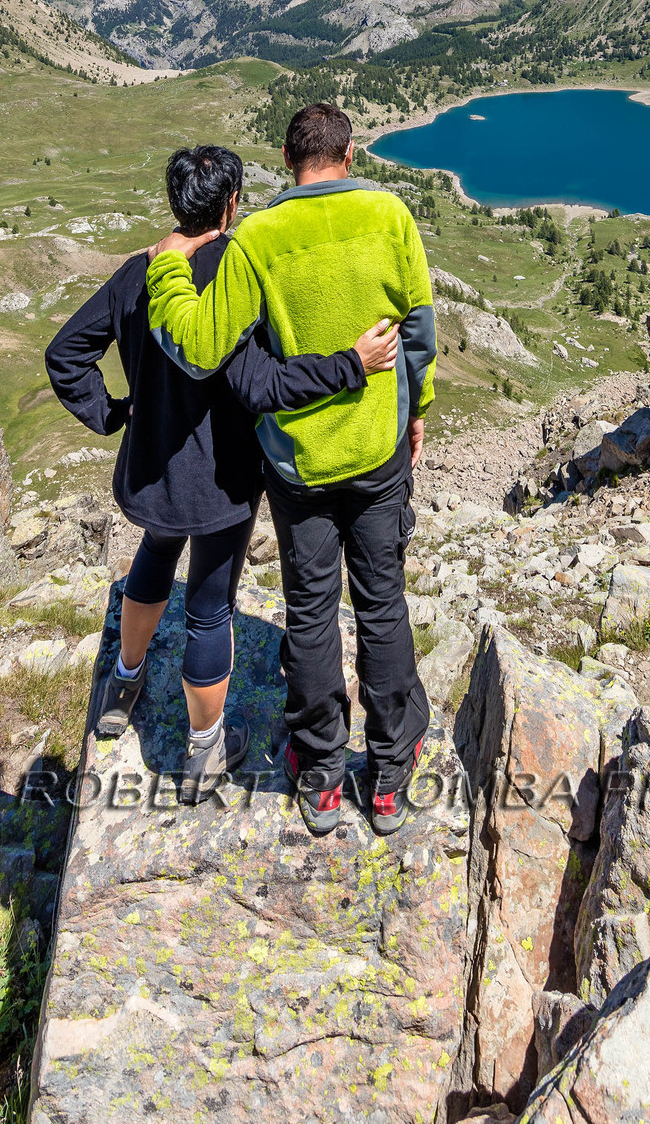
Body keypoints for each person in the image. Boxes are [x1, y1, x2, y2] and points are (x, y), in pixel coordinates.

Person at [45, 141, 399, 800]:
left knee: (154, 555)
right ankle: (203, 753)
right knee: (209, 608)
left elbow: (65, 354)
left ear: (174, 201)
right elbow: (265, 384)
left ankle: (124, 682)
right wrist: (351, 366)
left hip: (153, 471)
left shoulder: (138, 272)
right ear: (232, 203)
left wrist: (114, 413)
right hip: (222, 479)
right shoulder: (238, 278)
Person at [146, 102, 435, 837]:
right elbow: (420, 331)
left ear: (286, 158)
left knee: (310, 611)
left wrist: (167, 269)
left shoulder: (257, 237)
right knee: (382, 604)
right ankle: (390, 779)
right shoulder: (390, 215)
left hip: (297, 464)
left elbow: (201, 346)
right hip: (377, 451)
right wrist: (417, 407)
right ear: (350, 152)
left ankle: (322, 777)